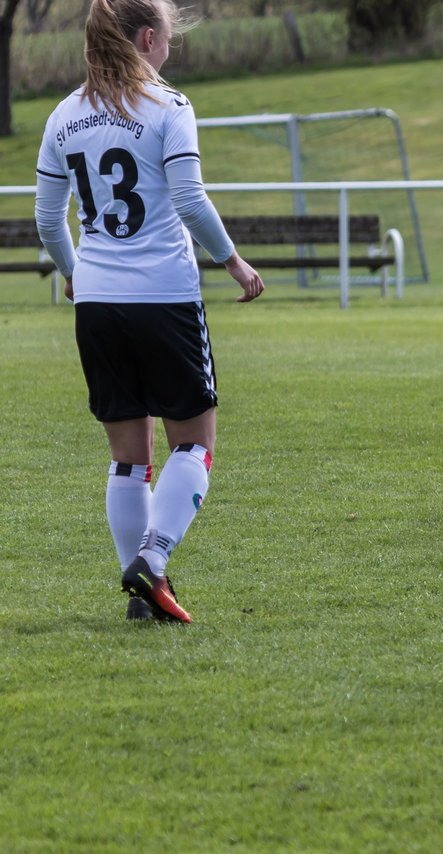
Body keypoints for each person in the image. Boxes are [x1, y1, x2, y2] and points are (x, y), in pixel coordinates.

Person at [35, 0, 264, 622]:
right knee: (195, 446)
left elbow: (46, 219)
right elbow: (189, 198)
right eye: (166, 39)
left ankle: (142, 597)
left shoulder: (64, 115)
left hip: (99, 303)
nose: (169, 50)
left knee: (129, 457)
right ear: (145, 38)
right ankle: (154, 562)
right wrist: (233, 262)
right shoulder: (171, 107)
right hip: (162, 298)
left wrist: (76, 274)